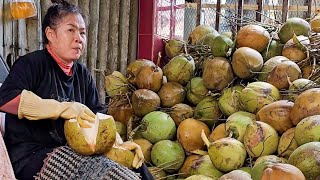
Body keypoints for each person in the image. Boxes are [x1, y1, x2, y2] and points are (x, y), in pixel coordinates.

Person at [0, 1, 153, 180]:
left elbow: (98, 118)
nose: (78, 38)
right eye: (71, 30)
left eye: (82, 33)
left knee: (137, 168)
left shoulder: (82, 74)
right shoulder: (32, 64)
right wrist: (61, 108)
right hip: (32, 156)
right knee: (110, 174)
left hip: (75, 150)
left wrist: (118, 145)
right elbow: (5, 99)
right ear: (50, 34)